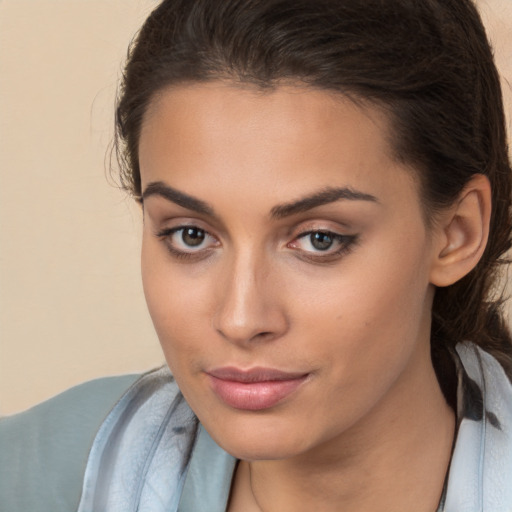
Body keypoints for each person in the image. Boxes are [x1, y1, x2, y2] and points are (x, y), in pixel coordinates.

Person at [1, 0, 512, 510]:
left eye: (319, 239)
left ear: (456, 233)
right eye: (191, 235)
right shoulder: (29, 479)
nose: (241, 319)